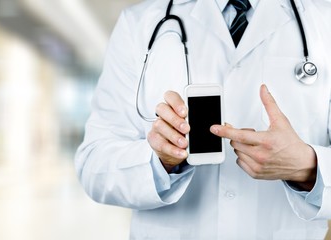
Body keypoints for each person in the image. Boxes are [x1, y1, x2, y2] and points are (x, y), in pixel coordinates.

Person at [75, 0, 331, 238]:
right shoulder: (141, 23)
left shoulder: (323, 20)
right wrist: (160, 161)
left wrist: (308, 166)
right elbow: (94, 165)